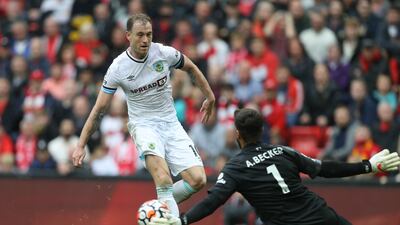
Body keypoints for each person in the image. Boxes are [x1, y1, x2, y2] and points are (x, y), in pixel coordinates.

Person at [72, 13, 215, 217]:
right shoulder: (118, 68)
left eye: (149, 34)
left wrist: (210, 96)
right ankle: (168, 218)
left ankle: (158, 207)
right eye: (140, 35)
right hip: (144, 125)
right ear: (128, 36)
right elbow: (99, 109)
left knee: (198, 179)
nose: (145, 40)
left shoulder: (164, 53)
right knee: (164, 179)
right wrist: (80, 144)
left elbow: (190, 67)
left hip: (170, 123)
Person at [150, 108, 400, 225]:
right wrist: (368, 166)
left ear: (238, 134)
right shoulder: (284, 151)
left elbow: (212, 202)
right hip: (321, 216)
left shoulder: (235, 167)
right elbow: (326, 169)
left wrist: (182, 221)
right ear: (262, 131)